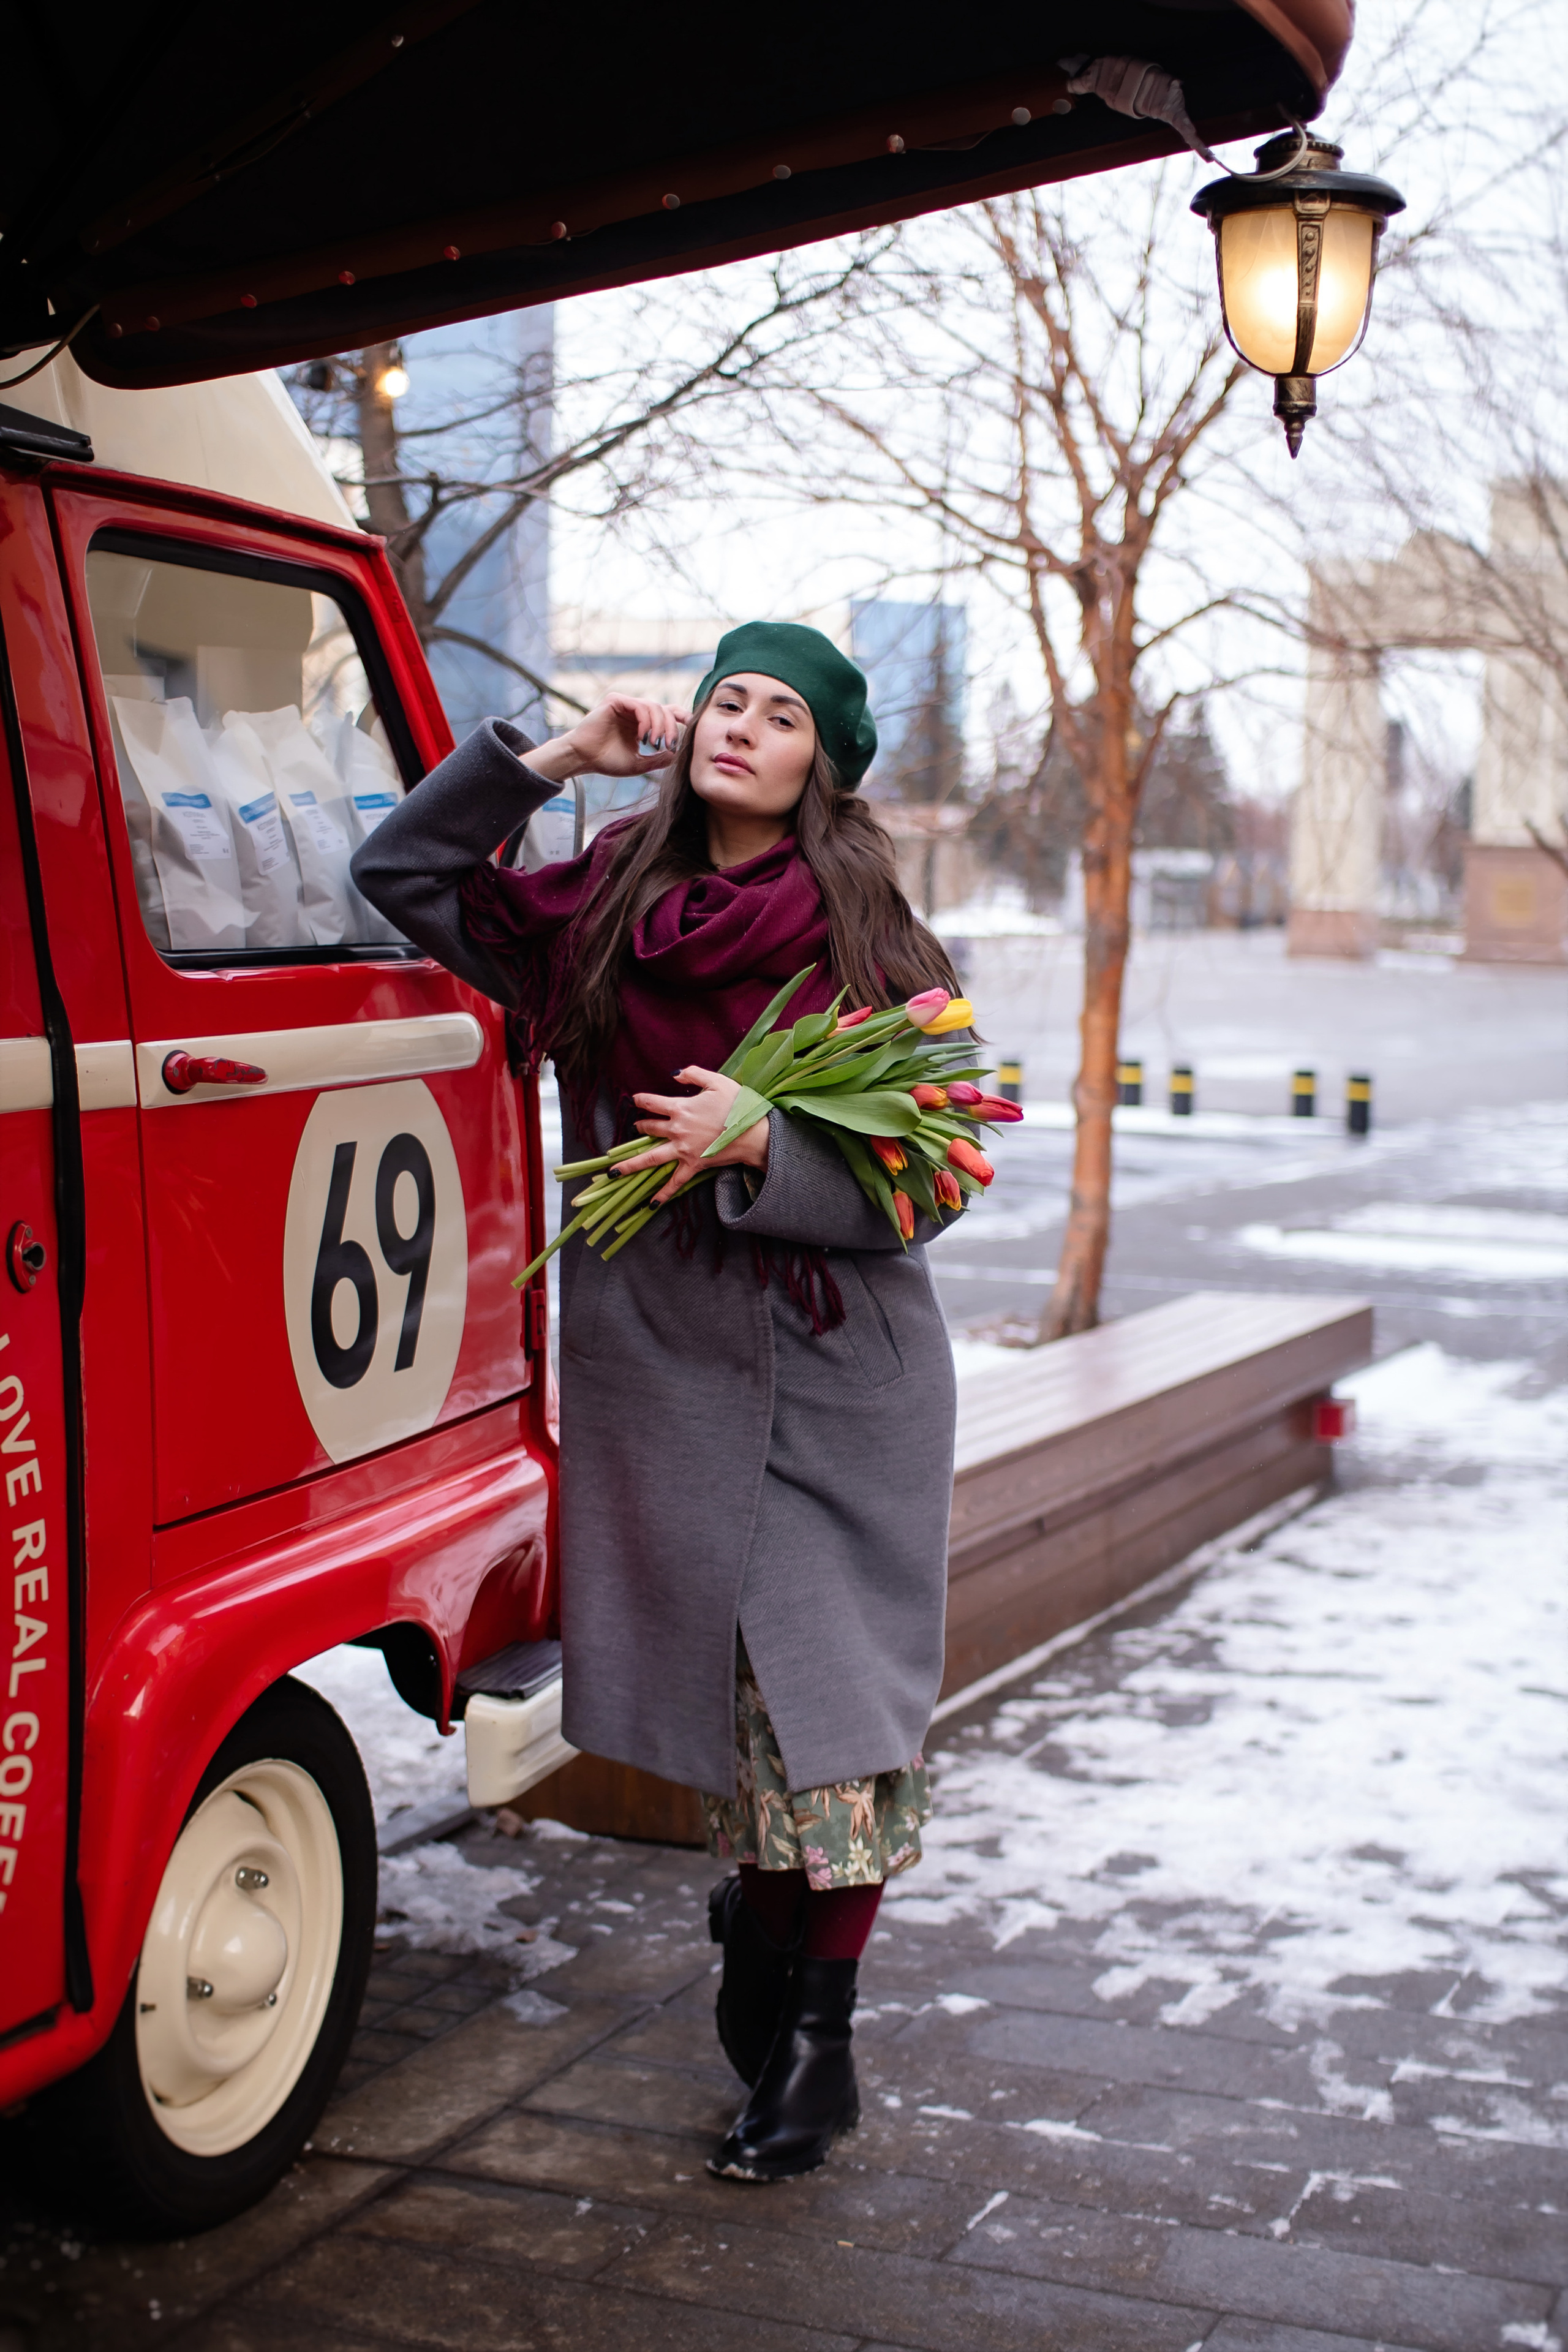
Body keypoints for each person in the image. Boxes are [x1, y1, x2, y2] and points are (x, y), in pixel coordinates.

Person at [352, 621, 964, 2182]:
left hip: (841, 1375)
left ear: (823, 761)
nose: (741, 726)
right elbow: (406, 880)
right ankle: (765, 1938)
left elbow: (947, 1166)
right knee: (752, 1738)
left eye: (781, 714)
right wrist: (549, 762)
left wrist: (768, 1147)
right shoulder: (598, 905)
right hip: (669, 1382)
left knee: (832, 1733)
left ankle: (814, 2046)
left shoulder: (868, 930)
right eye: (725, 701)